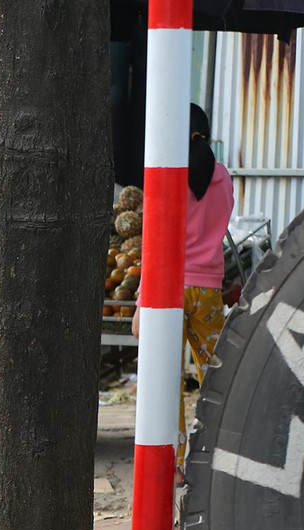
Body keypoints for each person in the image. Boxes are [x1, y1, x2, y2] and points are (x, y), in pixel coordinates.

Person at [132, 103, 234, 476]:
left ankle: (174, 463)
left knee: (166, 378)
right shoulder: (222, 176)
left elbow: (155, 242)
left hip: (169, 292)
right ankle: (223, 454)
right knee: (219, 376)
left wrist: (143, 299)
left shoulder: (170, 175)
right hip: (208, 292)